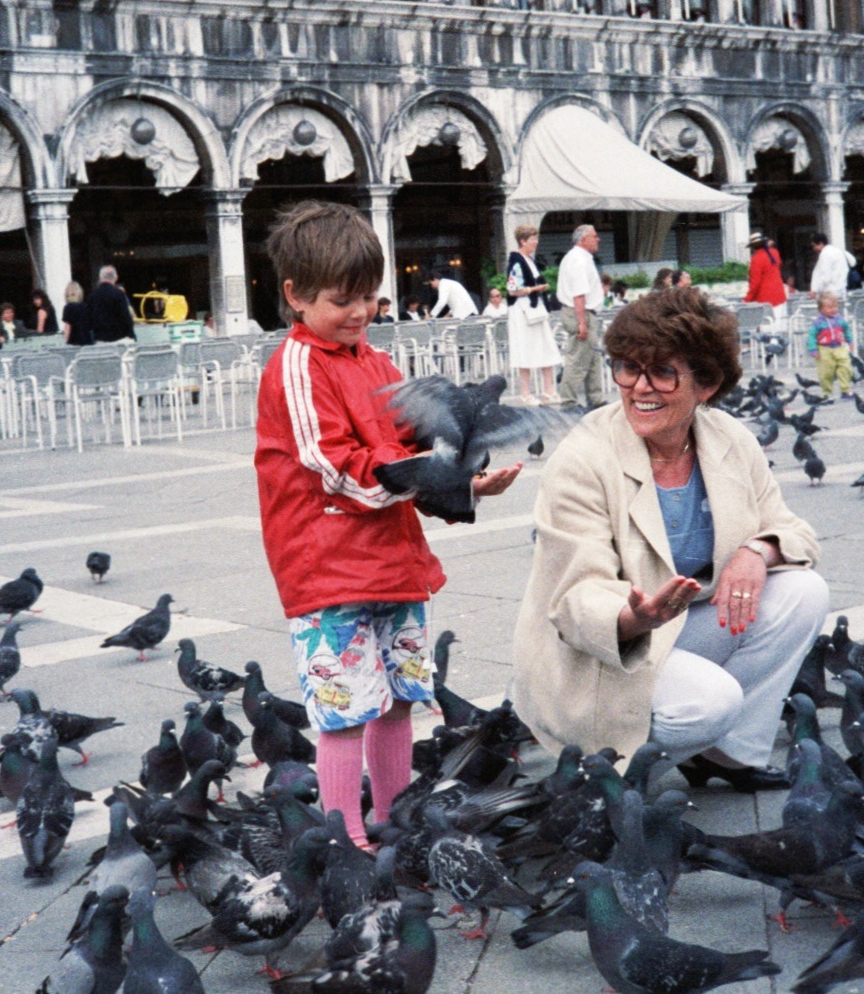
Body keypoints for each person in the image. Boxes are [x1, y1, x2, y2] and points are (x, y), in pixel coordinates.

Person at [254, 200, 521, 849]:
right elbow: (334, 468)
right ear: (294, 296)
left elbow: (408, 445)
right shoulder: (295, 366)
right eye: (342, 299)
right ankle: (344, 832)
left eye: (369, 298)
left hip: (391, 561)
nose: (359, 312)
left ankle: (396, 814)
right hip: (326, 568)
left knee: (401, 695)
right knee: (345, 710)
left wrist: (461, 471)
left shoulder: (376, 363)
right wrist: (425, 476)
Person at [511, 286, 826, 783]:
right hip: (597, 654)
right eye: (627, 367)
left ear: (706, 385)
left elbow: (792, 530)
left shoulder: (729, 439)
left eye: (662, 371)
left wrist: (758, 550)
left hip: (677, 627)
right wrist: (631, 616)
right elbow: (574, 598)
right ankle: (610, 773)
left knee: (803, 592)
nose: (639, 386)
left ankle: (728, 754)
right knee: (709, 703)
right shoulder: (584, 457)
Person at [506, 224, 561, 405]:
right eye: (533, 239)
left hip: (536, 309)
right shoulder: (516, 261)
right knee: (525, 349)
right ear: (523, 241)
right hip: (523, 311)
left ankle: (549, 390)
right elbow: (512, 289)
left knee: (546, 345)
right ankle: (525, 393)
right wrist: (536, 288)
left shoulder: (529, 260)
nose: (536, 242)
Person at [556, 223, 605, 408]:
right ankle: (568, 402)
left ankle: (596, 399)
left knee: (592, 358)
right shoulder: (578, 260)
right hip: (580, 312)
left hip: (585, 311)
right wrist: (582, 322)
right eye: (594, 236)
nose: (598, 239)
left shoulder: (581, 258)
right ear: (583, 239)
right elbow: (578, 293)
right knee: (578, 359)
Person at [806, 291, 855, 399]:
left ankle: (845, 390)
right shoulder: (818, 322)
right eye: (829, 307)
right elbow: (812, 336)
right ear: (821, 309)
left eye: (835, 306)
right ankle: (827, 392)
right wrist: (813, 349)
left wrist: (850, 341)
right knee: (826, 372)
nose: (833, 309)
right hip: (824, 349)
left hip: (839, 347)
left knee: (845, 367)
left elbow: (846, 330)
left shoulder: (840, 319)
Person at [745, 232, 787, 323]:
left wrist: (746, 300)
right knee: (779, 324)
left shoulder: (756, 259)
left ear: (752, 247)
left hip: (764, 298)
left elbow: (755, 283)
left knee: (766, 328)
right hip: (779, 294)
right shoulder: (774, 253)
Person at [88, 265, 137, 343]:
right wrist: (132, 336)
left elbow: (89, 320)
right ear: (116, 278)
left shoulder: (92, 297)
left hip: (100, 341)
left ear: (100, 278)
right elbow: (125, 318)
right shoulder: (119, 294)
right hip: (120, 339)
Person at [807, 233, 850, 299]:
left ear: (821, 244)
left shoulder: (825, 254)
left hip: (830, 292)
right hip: (841, 290)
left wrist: (815, 290)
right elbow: (852, 263)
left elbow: (825, 277)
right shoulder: (837, 251)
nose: (813, 248)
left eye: (814, 246)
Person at [60, 281, 91, 345]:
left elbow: (67, 327)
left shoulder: (68, 307)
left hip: (74, 340)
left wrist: (65, 341)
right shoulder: (86, 306)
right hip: (87, 340)